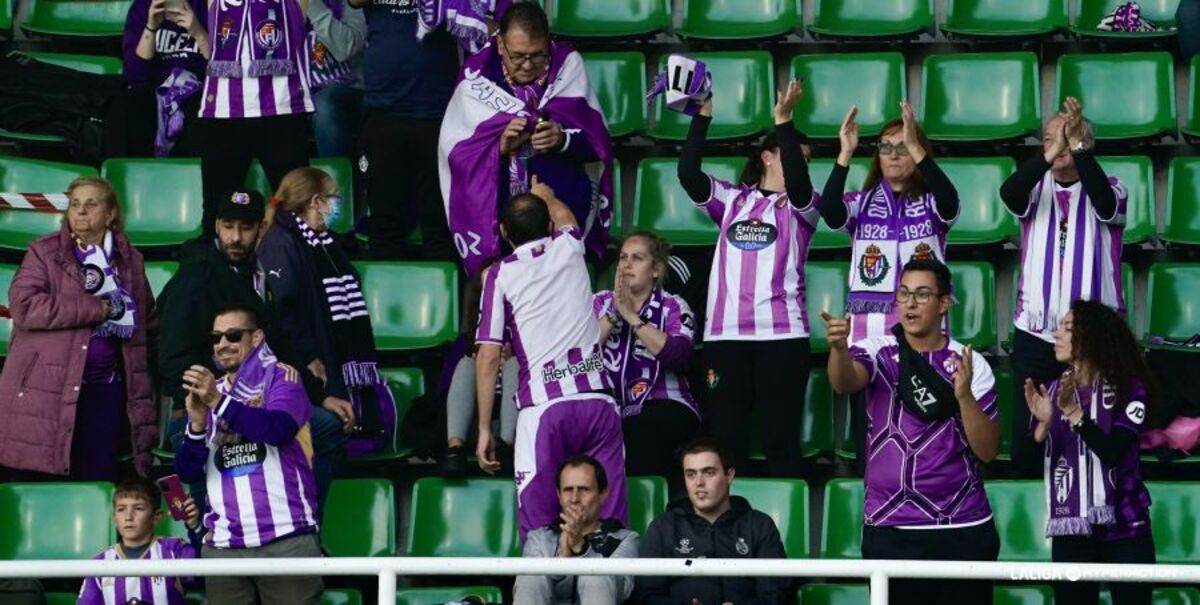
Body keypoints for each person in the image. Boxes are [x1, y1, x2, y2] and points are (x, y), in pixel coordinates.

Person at [157, 189, 352, 511]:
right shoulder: (195, 276)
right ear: (216, 226)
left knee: (329, 428)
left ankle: (304, 524)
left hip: (259, 406)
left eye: (245, 228)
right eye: (228, 226)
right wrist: (218, 400)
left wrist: (320, 395)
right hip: (199, 415)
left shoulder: (258, 273)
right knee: (205, 509)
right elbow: (172, 362)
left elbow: (276, 349)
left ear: (261, 229)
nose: (235, 237)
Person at [824, 259, 1000, 605]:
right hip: (891, 526)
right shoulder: (877, 349)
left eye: (922, 294)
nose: (910, 303)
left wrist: (963, 396)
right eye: (904, 293)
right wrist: (840, 348)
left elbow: (988, 450)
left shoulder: (970, 361)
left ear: (944, 303)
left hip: (962, 526)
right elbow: (844, 382)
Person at [677, 79, 817, 476]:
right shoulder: (732, 200)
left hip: (782, 337)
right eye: (794, 156)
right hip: (726, 337)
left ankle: (783, 534)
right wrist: (702, 117)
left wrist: (784, 121)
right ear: (768, 157)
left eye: (805, 159)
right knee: (725, 444)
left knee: (780, 441)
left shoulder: (803, 207)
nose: (800, 164)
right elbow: (688, 173)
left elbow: (803, 185)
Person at [474, 178, 627, 540]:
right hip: (597, 403)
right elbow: (567, 217)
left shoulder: (500, 274)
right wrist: (547, 194)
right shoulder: (570, 247)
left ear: (503, 231)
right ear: (547, 227)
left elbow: (488, 357)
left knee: (539, 528)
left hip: (545, 409)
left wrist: (484, 429)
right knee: (611, 522)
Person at [820, 101, 960, 471]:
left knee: (927, 436)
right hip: (868, 342)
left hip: (923, 342)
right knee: (872, 444)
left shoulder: (931, 203)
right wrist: (845, 154)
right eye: (886, 147)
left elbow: (951, 200)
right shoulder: (862, 203)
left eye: (904, 147)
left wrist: (921, 151)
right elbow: (830, 211)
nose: (894, 154)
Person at [1000, 96, 1127, 479]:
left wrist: (1077, 147)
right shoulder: (1035, 191)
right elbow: (1009, 193)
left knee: (1094, 431)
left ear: (1084, 145)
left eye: (1067, 137)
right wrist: (1051, 152)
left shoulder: (1114, 187)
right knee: (1030, 435)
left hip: (1094, 339)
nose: (1055, 145)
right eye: (1048, 139)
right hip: (1036, 334)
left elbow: (1105, 203)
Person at [0, 177, 157, 482]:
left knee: (93, 482)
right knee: (38, 484)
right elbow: (25, 307)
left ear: (111, 214)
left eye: (91, 204)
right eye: (75, 204)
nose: (81, 212)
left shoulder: (131, 260)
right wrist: (95, 309)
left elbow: (147, 322)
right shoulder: (44, 252)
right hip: (45, 389)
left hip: (105, 391)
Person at [440, 2, 613, 275]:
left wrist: (562, 139)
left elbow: (598, 143)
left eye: (538, 55)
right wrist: (498, 147)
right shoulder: (476, 75)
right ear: (499, 44)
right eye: (518, 56)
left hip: (560, 215)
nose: (528, 65)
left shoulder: (568, 65)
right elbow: (456, 153)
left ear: (548, 43)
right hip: (501, 224)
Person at [175, 304, 323, 604]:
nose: (222, 344)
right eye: (216, 338)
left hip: (285, 538)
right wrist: (197, 424)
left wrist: (218, 402)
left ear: (256, 338)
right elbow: (189, 472)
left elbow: (278, 429)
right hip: (224, 546)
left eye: (233, 335)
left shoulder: (282, 378)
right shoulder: (210, 393)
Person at [1026, 299, 1156, 605]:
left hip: (1126, 527)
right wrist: (1043, 425)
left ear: (1093, 337)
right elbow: (1024, 463)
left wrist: (1074, 414)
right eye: (1059, 326)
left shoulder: (1130, 388)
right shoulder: (1051, 392)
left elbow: (1114, 452)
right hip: (1072, 532)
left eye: (1068, 328)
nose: (1057, 334)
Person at [260, 167, 396, 457]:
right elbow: (286, 310)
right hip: (309, 359)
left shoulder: (324, 243)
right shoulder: (281, 242)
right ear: (314, 202)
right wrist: (308, 355)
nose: (337, 204)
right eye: (332, 197)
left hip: (328, 350)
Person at [349, 0, 462, 261]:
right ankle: (385, 300)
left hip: (437, 109)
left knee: (438, 224)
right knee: (385, 223)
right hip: (384, 108)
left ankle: (442, 300)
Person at [594, 231, 699, 492]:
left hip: (666, 402)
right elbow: (580, 354)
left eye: (637, 258)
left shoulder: (674, 306)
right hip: (608, 404)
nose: (627, 264)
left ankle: (647, 513)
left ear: (656, 269)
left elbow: (679, 355)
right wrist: (614, 314)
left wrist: (632, 316)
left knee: (641, 429)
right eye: (623, 258)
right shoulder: (598, 303)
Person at [196, 0, 313, 234]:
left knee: (299, 213)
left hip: (283, 108)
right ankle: (217, 269)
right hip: (223, 110)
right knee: (216, 215)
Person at [634, 438, 790, 605]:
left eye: (709, 472)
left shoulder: (759, 525)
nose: (699, 482)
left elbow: (777, 593)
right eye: (690, 474)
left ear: (729, 475)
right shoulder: (663, 526)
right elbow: (645, 594)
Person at [513, 455, 639, 605]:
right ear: (559, 496)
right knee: (531, 575)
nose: (574, 499)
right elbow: (531, 589)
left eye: (584, 489)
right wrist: (561, 561)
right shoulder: (538, 538)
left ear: (603, 494)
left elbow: (622, 590)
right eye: (567, 490)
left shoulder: (626, 539)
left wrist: (581, 549)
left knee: (597, 574)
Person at [442, 268, 518, 478]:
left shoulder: (524, 333)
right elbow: (443, 389)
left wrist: (513, 361)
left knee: (515, 366)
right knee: (466, 364)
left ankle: (505, 448)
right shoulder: (466, 341)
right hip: (473, 426)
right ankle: (454, 450)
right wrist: (482, 368)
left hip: (516, 426)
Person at [77, 477, 203, 604]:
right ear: (115, 519)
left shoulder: (175, 550)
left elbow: (204, 575)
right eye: (121, 509)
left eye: (138, 508)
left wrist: (195, 527)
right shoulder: (100, 563)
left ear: (156, 516)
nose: (128, 517)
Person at [111, 0, 209, 157]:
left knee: (201, 107)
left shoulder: (210, 7)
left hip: (198, 89)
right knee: (127, 104)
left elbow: (222, 70)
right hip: (154, 91)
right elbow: (135, 77)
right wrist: (151, 27)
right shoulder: (142, 7)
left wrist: (197, 31)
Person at [306, 0, 366, 158]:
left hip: (349, 91)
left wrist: (310, 4)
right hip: (298, 92)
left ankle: (334, 180)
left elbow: (344, 48)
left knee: (323, 103)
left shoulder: (351, 3)